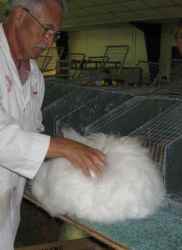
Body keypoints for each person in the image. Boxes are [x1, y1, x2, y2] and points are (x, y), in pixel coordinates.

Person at [0, 0, 106, 249]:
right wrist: (62, 147)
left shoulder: (36, 77)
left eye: (55, 34)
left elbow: (31, 135)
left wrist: (69, 168)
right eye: (46, 29)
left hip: (6, 209)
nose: (49, 41)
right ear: (19, 16)